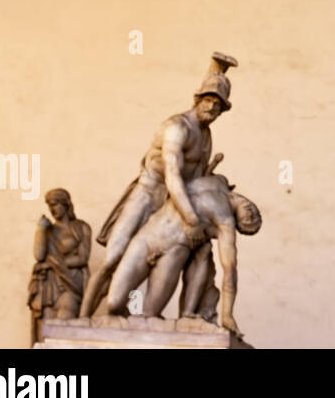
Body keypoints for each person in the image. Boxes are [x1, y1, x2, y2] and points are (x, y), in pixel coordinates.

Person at [80, 53, 236, 317]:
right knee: (112, 258)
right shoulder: (177, 127)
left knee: (198, 250)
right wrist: (191, 217)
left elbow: (194, 180)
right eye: (209, 101)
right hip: (149, 194)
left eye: (218, 106)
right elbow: (173, 175)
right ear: (198, 100)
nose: (212, 109)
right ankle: (82, 318)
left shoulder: (206, 137)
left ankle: (190, 314)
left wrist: (214, 190)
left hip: (171, 205)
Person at [95, 172, 261, 336]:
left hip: (173, 253)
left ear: (237, 224)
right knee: (113, 304)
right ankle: (121, 330)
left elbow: (230, 270)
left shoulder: (225, 222)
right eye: (257, 216)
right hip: (147, 237)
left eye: (249, 223)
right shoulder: (219, 179)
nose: (253, 217)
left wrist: (227, 314)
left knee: (149, 316)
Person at [28, 188, 91, 343]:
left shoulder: (81, 228)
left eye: (55, 204)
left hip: (71, 282)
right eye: (49, 205)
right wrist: (41, 230)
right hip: (49, 284)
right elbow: (39, 256)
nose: (52, 209)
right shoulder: (49, 230)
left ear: (65, 204)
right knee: (46, 333)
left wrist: (53, 264)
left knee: (64, 330)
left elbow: (83, 258)